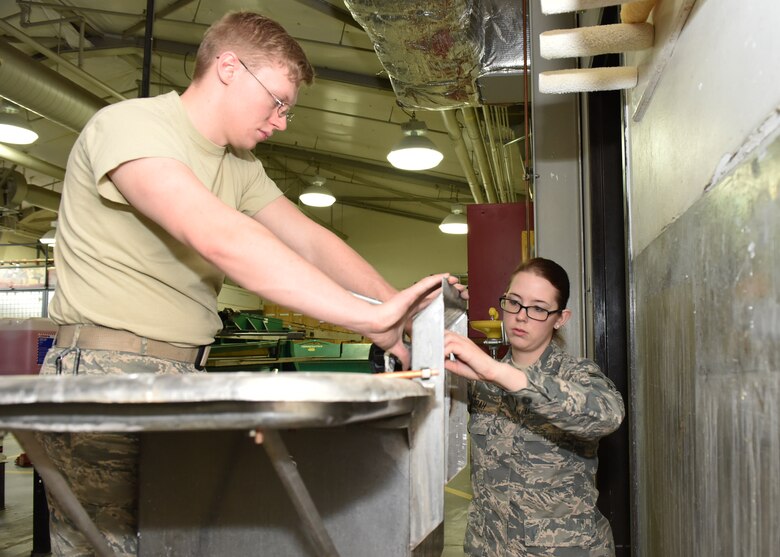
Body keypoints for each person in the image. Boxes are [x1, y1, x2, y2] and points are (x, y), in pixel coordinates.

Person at [36, 11, 456, 556]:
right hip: (104, 374)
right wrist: (364, 317)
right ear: (229, 68)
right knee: (107, 548)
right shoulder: (131, 126)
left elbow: (310, 241)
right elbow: (218, 236)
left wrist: (402, 312)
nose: (281, 121)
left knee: (180, 544)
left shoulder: (240, 166)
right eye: (278, 101)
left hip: (184, 374)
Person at [443, 257, 625, 557]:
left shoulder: (575, 375)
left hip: (561, 550)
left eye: (539, 308)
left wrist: (498, 373)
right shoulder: (480, 379)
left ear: (560, 318)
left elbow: (607, 415)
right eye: (513, 302)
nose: (521, 316)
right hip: (490, 546)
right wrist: (439, 316)